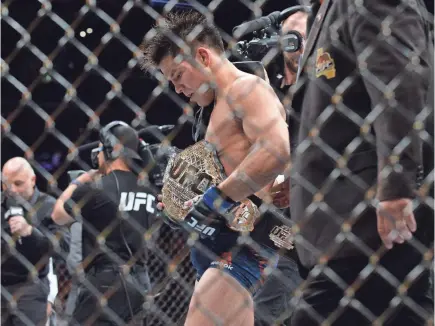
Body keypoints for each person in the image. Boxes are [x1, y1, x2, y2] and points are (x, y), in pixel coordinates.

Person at [140, 10, 291, 326]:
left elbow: (275, 151)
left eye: (179, 75)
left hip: (246, 250)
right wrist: (184, 202)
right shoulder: (211, 112)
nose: (178, 89)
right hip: (221, 249)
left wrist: (215, 199)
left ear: (203, 56)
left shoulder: (245, 89)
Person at [290, 0, 433, 325]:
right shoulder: (326, 11)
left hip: (367, 221)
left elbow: (400, 84)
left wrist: (396, 189)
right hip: (347, 221)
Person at [51, 121, 156, 325]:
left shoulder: (96, 188)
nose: (96, 154)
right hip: (141, 281)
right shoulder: (149, 189)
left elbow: (58, 215)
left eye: (100, 148)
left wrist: (81, 180)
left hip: (106, 282)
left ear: (110, 149)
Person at [1, 157, 58, 325]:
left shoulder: (49, 206)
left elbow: (62, 248)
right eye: (6, 184)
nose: (11, 190)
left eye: (18, 184)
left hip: (31, 287)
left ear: (32, 180)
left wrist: (30, 232)